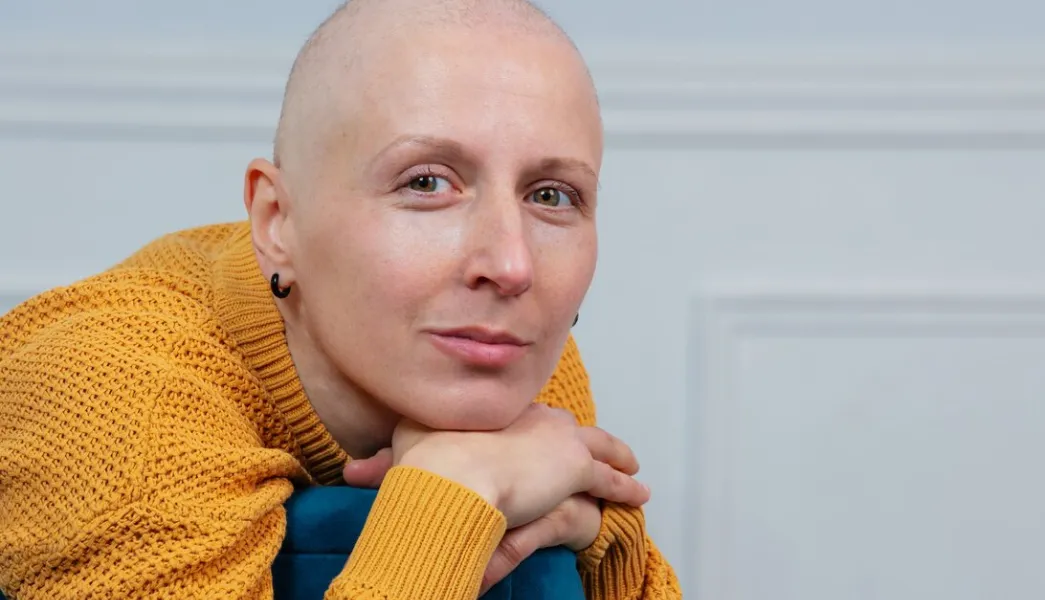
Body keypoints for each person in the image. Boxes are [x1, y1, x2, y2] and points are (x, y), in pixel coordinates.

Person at [0, 0, 682, 597]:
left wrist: (600, 530)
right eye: (426, 183)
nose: (511, 265)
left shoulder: (486, 341)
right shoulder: (115, 399)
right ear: (278, 222)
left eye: (551, 196)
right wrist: (455, 492)